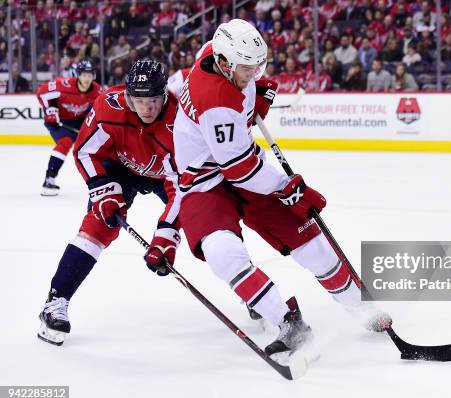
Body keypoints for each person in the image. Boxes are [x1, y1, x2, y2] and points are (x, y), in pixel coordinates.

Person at [173, 20, 390, 361]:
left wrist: (252, 100)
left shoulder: (214, 55)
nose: (254, 73)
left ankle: (359, 306)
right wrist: (288, 188)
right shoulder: (215, 100)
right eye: (248, 69)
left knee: (312, 243)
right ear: (225, 63)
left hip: (238, 162)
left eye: (258, 66)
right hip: (206, 180)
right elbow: (241, 169)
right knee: (222, 253)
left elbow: (239, 128)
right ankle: (288, 322)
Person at [37, 60, 181, 346]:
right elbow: (86, 150)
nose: (147, 108)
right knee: (96, 228)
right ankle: (56, 302)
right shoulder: (109, 104)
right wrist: (102, 189)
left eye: (153, 100)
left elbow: (186, 186)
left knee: (208, 223)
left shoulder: (183, 119)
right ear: (128, 96)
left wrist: (167, 234)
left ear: (164, 94)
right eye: (139, 100)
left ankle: (250, 291)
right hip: (120, 168)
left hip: (167, 175)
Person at [36, 59, 102, 196]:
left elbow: (103, 107)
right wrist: (50, 110)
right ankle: (49, 179)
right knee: (65, 142)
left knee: (99, 146)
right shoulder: (64, 85)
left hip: (78, 121)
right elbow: (41, 92)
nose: (87, 78)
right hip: (58, 121)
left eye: (90, 75)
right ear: (78, 75)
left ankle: (103, 179)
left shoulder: (97, 90)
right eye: (84, 75)